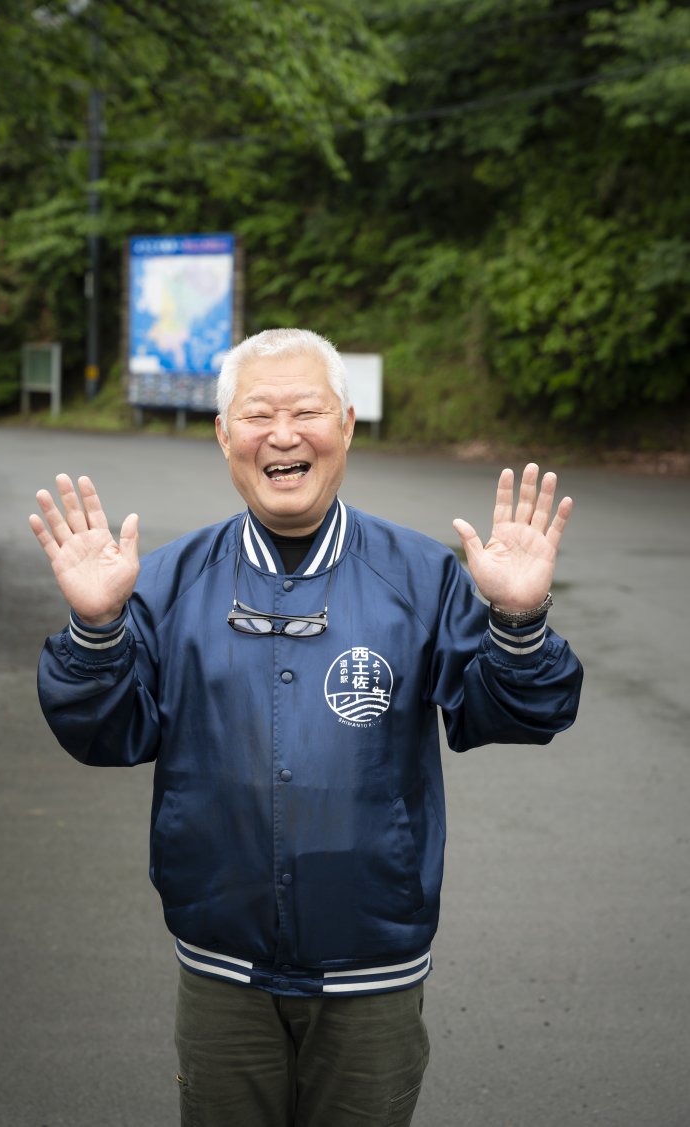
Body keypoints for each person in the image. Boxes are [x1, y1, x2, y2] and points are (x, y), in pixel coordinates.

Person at [30, 327, 583, 1127]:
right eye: (258, 413)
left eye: (306, 411)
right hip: (220, 968)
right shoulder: (163, 582)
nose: (283, 434)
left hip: (375, 965)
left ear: (347, 425)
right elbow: (103, 732)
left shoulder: (420, 576)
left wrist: (518, 618)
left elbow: (520, 710)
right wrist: (95, 630)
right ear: (224, 435)